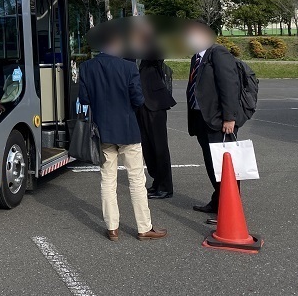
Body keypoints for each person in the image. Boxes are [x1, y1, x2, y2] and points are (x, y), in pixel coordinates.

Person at [79, 32, 167, 242]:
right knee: (136, 179)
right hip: (128, 130)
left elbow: (84, 98)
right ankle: (144, 227)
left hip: (102, 131)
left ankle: (112, 228)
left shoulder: (86, 68)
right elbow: (137, 99)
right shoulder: (128, 68)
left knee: (107, 179)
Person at [184, 22, 246, 214]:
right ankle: (218, 200)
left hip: (219, 120)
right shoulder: (197, 57)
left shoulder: (218, 54)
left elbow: (229, 86)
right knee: (212, 164)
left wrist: (229, 118)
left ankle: (229, 209)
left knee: (224, 166)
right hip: (202, 119)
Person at [137, 58, 177, 199]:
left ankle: (166, 187)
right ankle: (157, 181)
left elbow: (158, 54)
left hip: (154, 103)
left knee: (159, 147)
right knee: (147, 147)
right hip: (140, 104)